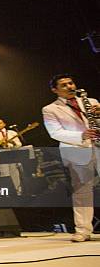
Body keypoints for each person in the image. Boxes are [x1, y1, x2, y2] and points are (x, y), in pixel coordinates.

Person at [42, 74, 99, 242]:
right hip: (77, 150)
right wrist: (81, 135)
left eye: (71, 83)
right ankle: (83, 230)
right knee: (82, 191)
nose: (69, 86)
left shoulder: (92, 102)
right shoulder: (50, 109)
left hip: (98, 145)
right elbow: (55, 132)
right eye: (64, 85)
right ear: (55, 90)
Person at [0, 118, 23, 195]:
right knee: (5, 173)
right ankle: (8, 191)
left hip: (12, 153)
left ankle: (18, 190)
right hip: (1, 153)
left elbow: (19, 144)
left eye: (0, 123)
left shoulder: (12, 132)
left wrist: (13, 143)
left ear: (4, 124)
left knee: (15, 172)